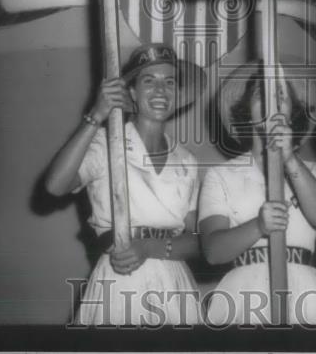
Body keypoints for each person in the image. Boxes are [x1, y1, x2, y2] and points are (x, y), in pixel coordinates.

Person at [45, 44, 204, 326]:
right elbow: (55, 186)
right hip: (121, 277)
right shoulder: (107, 143)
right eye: (148, 81)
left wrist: (148, 248)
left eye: (169, 82)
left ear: (177, 93)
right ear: (131, 91)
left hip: (174, 281)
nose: (160, 90)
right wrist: (96, 116)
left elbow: (196, 241)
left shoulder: (187, 160)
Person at [197, 64, 316, 326]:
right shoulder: (221, 174)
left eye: (281, 95)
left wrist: (290, 159)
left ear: (293, 113)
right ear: (245, 112)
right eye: (260, 93)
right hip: (243, 293)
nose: (272, 100)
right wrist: (259, 226)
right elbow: (213, 252)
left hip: (304, 290)